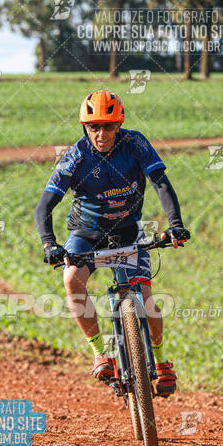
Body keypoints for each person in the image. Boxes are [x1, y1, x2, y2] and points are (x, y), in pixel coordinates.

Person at [34, 90, 190, 396]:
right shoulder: (76, 156)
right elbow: (44, 207)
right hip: (86, 236)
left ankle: (160, 362)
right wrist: (50, 244)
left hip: (127, 233)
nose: (101, 133)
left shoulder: (135, 144)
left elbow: (161, 184)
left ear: (119, 124)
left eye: (108, 126)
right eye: (94, 127)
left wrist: (175, 226)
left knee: (145, 297)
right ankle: (100, 353)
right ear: (84, 127)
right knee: (72, 280)